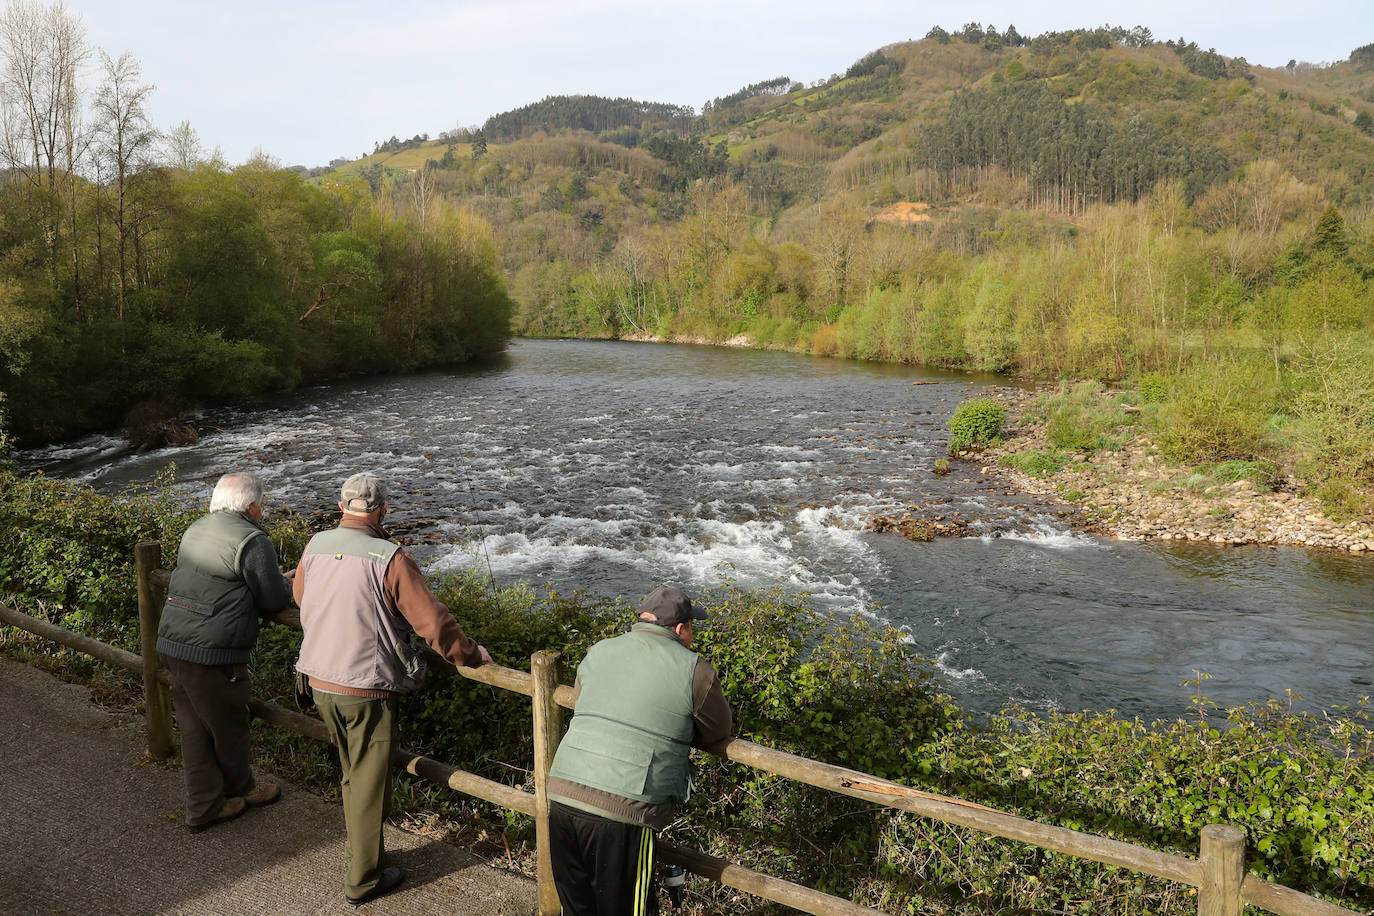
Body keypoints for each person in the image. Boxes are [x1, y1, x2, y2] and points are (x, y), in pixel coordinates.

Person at [294, 472, 493, 907]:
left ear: (341, 507)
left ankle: (366, 855)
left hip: (318, 678)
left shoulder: (315, 546)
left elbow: (301, 598)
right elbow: (433, 625)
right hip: (365, 685)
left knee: (353, 772)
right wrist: (472, 654)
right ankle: (362, 880)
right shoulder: (391, 558)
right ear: (383, 509)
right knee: (369, 782)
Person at [547, 585, 733, 916]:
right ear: (680, 629)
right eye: (692, 627)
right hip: (624, 809)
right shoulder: (695, 670)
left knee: (576, 909)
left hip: (563, 794)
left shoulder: (600, 650)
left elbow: (582, 698)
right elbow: (718, 730)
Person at [156, 471, 293, 833]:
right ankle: (241, 790)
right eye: (261, 503)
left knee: (194, 729)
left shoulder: (196, 528)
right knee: (230, 725)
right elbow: (274, 598)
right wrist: (287, 582)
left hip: (174, 639)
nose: (262, 510)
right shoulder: (252, 539)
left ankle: (205, 806)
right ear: (251, 506)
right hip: (212, 649)